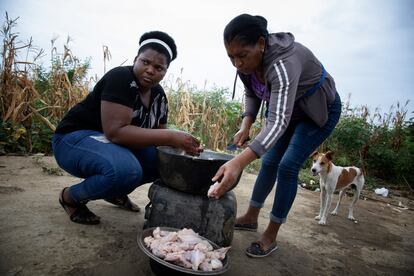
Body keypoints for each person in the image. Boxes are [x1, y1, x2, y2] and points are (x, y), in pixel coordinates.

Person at [210, 14, 342, 257]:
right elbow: (252, 93)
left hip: (317, 110)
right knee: (269, 162)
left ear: (261, 44)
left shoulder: (283, 64)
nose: (237, 63)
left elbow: (279, 120)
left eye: (242, 56)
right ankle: (251, 217)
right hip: (287, 111)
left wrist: (238, 162)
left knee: (288, 166)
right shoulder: (247, 65)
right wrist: (246, 125)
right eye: (231, 56)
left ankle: (270, 235)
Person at [52, 31, 203, 225]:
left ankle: (115, 192)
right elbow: (115, 132)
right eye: (145, 62)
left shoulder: (158, 96)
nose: (150, 70)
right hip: (74, 140)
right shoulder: (121, 78)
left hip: (110, 145)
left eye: (159, 67)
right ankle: (71, 197)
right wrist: (173, 136)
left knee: (164, 162)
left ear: (165, 72)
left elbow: (158, 137)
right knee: (125, 171)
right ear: (135, 60)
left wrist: (184, 147)